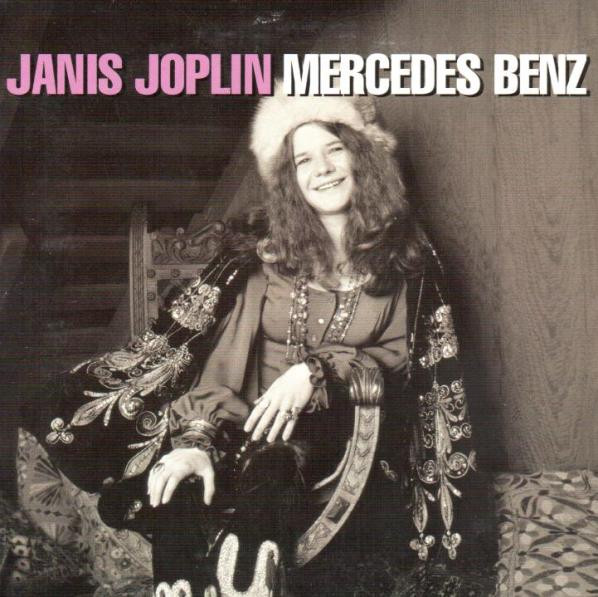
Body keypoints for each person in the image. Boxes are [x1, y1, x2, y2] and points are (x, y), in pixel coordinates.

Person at [21, 84, 474, 596]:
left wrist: (316, 370)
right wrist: (196, 442)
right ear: (290, 179)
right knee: (180, 491)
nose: (322, 169)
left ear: (364, 158)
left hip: (336, 437)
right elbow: (221, 369)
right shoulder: (265, 257)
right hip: (238, 425)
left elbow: (402, 359)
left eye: (335, 149)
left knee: (276, 471)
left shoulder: (406, 259)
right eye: (303, 160)